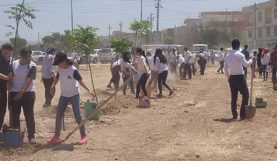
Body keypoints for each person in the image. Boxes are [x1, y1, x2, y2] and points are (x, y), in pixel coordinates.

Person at [48, 52, 94, 144]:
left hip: (74, 95)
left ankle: (83, 136)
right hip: (64, 95)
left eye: (59, 63)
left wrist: (89, 90)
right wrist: (53, 85)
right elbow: (57, 77)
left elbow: (80, 81)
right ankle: (56, 137)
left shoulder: (73, 70)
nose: (58, 65)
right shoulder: (59, 69)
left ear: (64, 61)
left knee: (78, 117)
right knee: (59, 115)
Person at [9, 49, 37, 143]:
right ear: (21, 56)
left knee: (29, 115)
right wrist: (9, 82)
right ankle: (16, 135)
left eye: (30, 56)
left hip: (28, 93)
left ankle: (31, 136)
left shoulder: (32, 65)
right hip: (14, 92)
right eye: (26, 57)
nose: (29, 59)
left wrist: (20, 93)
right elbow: (10, 77)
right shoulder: (13, 64)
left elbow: (28, 80)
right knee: (15, 115)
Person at [224, 39, 253, 120]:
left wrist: (228, 77)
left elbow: (225, 69)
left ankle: (234, 115)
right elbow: (246, 65)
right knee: (245, 95)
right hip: (240, 77)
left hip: (232, 77)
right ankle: (242, 114)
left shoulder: (227, 56)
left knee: (234, 96)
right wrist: (251, 60)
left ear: (232, 45)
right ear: (238, 46)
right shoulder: (240, 55)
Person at [0, 44, 13, 132]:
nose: (7, 55)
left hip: (3, 89)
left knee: (2, 110)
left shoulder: (9, 61)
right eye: (5, 53)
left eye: (9, 54)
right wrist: (7, 78)